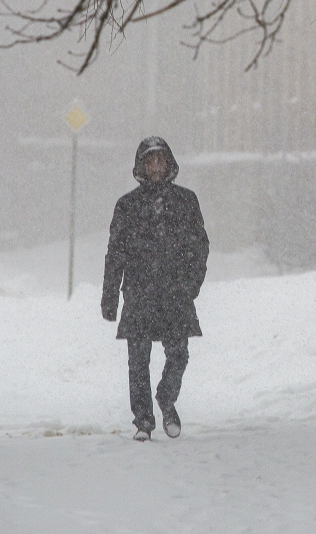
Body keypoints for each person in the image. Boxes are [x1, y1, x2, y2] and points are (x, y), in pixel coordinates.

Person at [102, 137, 209, 441]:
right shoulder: (128, 206)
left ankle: (166, 398)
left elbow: (199, 247)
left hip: (175, 293)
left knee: (179, 354)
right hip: (139, 293)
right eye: (150, 161)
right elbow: (115, 254)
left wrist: (191, 284)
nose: (156, 166)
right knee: (138, 360)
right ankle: (143, 422)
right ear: (141, 166)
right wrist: (109, 297)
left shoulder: (186, 201)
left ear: (169, 163)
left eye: (161, 160)